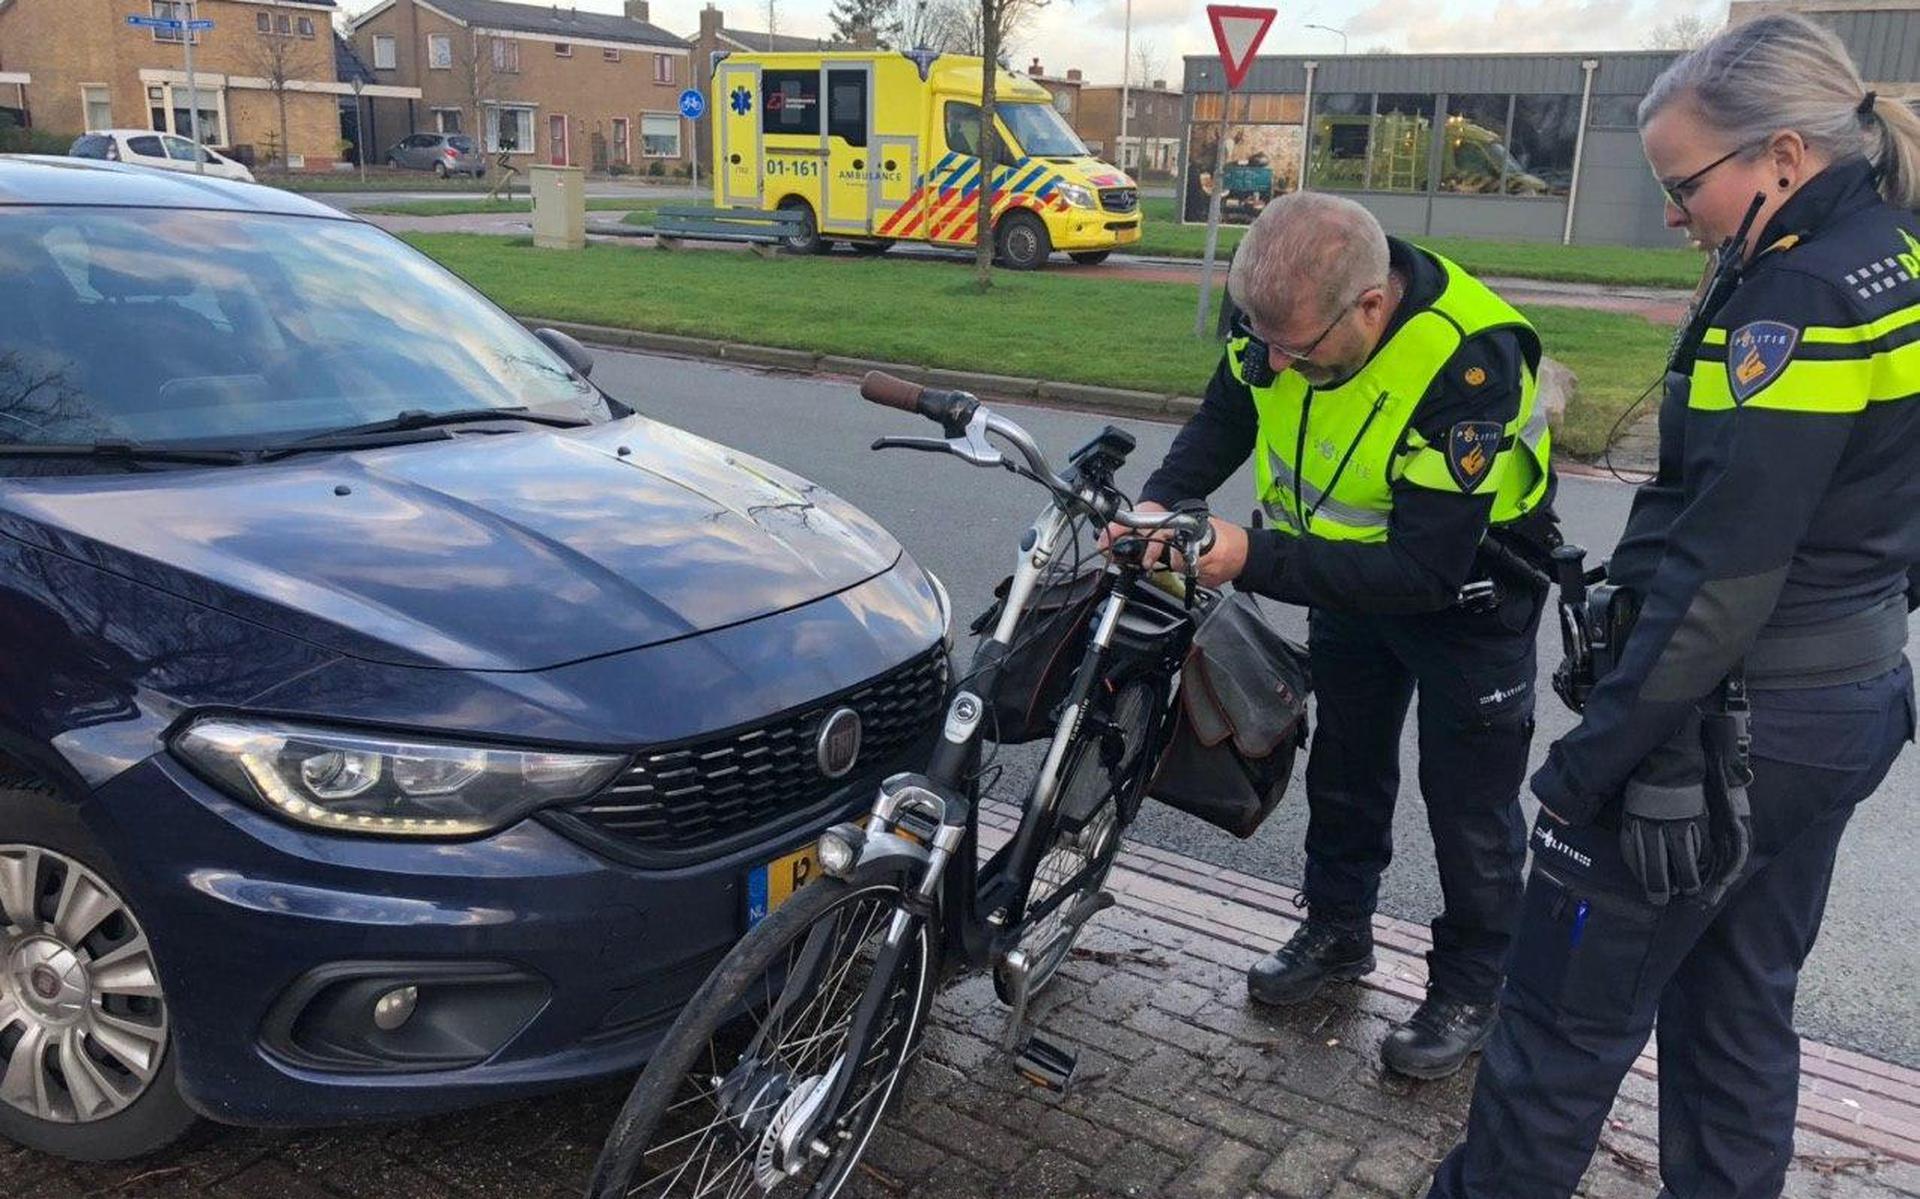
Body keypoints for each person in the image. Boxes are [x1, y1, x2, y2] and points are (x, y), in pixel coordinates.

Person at [1428, 15, 1920, 1198]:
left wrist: (1599, 762)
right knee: (1738, 1009)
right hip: (1843, 701)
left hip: (1726, 724)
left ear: (1785, 158)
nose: (1671, 212)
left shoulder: (1794, 299)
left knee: (1557, 1029)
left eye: (1683, 182)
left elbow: (1726, 575)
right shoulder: (1895, 255)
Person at [1127, 190, 1558, 1079]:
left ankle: (1476, 983)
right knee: (1347, 767)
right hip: (1346, 586)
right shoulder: (1282, 318)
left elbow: (1423, 572)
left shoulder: (1468, 363)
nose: (1274, 359)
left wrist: (1247, 555)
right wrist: (1160, 502)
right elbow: (1228, 413)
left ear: (1371, 305)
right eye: (1264, 339)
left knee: (1470, 806)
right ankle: (1335, 929)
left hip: (1468, 603)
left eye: (1296, 348)